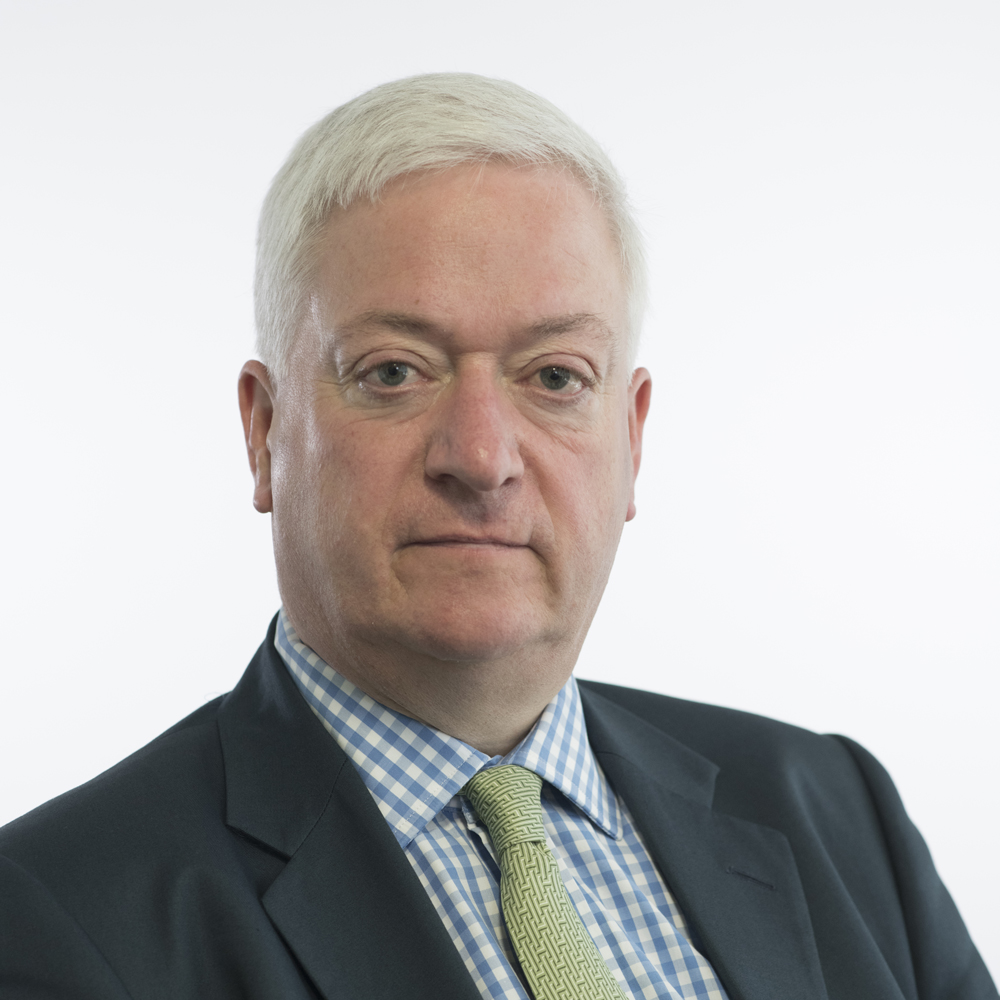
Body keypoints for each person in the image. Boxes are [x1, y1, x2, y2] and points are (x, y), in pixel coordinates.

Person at [0, 73, 994, 1000]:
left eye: (555, 376)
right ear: (265, 433)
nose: (480, 457)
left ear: (632, 438)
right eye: (394, 371)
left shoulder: (833, 809)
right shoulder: (54, 916)